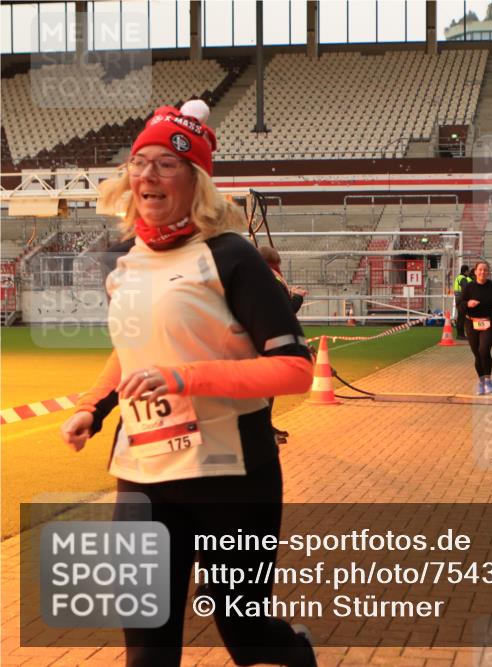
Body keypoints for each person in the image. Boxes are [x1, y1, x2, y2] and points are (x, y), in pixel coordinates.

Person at [59, 100, 316, 667]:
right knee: (146, 644)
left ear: (196, 181)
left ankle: (295, 653)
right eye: (139, 162)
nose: (147, 175)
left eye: (166, 164)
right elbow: (132, 350)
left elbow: (295, 371)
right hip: (142, 473)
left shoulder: (231, 258)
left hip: (232, 478)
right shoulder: (124, 263)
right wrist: (91, 409)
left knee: (244, 632)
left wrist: (182, 378)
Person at [258, 245, 308, 444]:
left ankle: (266, 426)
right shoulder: (272, 279)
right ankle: (263, 431)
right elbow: (286, 310)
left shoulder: (261, 277)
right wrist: (297, 296)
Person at [456, 260, 492, 394]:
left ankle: (488, 380)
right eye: (480, 269)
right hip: (471, 323)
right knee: (477, 353)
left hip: (489, 322)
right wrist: (468, 304)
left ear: (488, 272)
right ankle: (481, 382)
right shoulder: (469, 287)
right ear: (475, 272)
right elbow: (460, 305)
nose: (482, 272)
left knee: (483, 350)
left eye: (485, 270)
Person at [452, 264, 472, 340]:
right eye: (468, 271)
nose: (469, 272)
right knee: (461, 318)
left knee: (460, 317)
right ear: (465, 271)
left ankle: (460, 334)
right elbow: (465, 289)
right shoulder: (463, 279)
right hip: (462, 300)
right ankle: (460, 335)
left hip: (458, 299)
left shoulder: (458, 278)